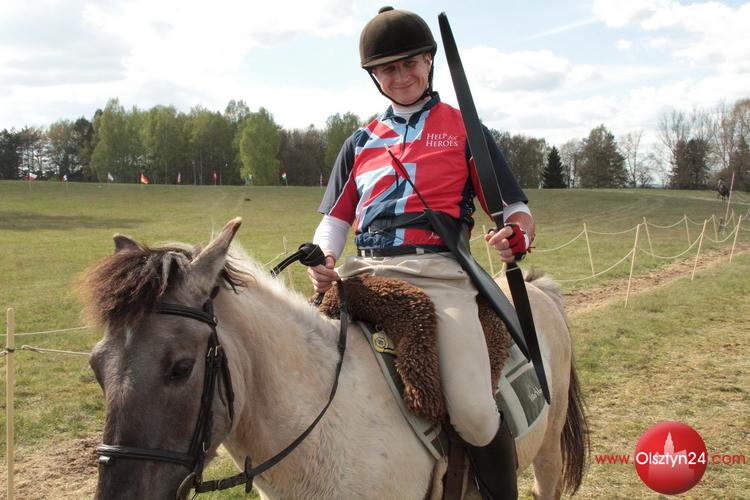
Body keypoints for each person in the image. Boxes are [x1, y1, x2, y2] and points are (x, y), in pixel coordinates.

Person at [308, 7, 535, 499]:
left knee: (474, 413)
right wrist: (324, 259)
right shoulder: (360, 141)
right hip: (363, 273)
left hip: (440, 276)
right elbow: (336, 220)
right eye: (387, 68)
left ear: (429, 61)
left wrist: (515, 236)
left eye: (410, 63)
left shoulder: (465, 130)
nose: (401, 76)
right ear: (374, 76)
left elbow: (516, 210)